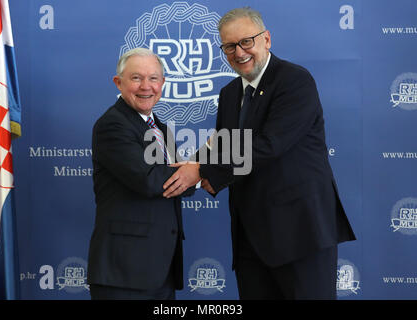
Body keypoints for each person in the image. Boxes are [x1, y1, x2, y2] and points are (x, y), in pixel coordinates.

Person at [163, 7, 356, 299]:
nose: (239, 52)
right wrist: (195, 162)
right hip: (251, 238)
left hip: (300, 234)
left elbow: (268, 145)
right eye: (229, 46)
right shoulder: (229, 93)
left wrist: (202, 172)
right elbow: (223, 142)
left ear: (266, 39)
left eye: (246, 42)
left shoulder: (294, 81)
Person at [87, 48, 194, 300]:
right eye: (136, 78)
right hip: (124, 272)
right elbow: (149, 180)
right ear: (119, 82)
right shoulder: (112, 125)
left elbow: (178, 181)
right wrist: (195, 173)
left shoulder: (161, 127)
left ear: (163, 83)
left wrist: (191, 174)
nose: (146, 86)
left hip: (160, 268)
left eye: (154, 78)